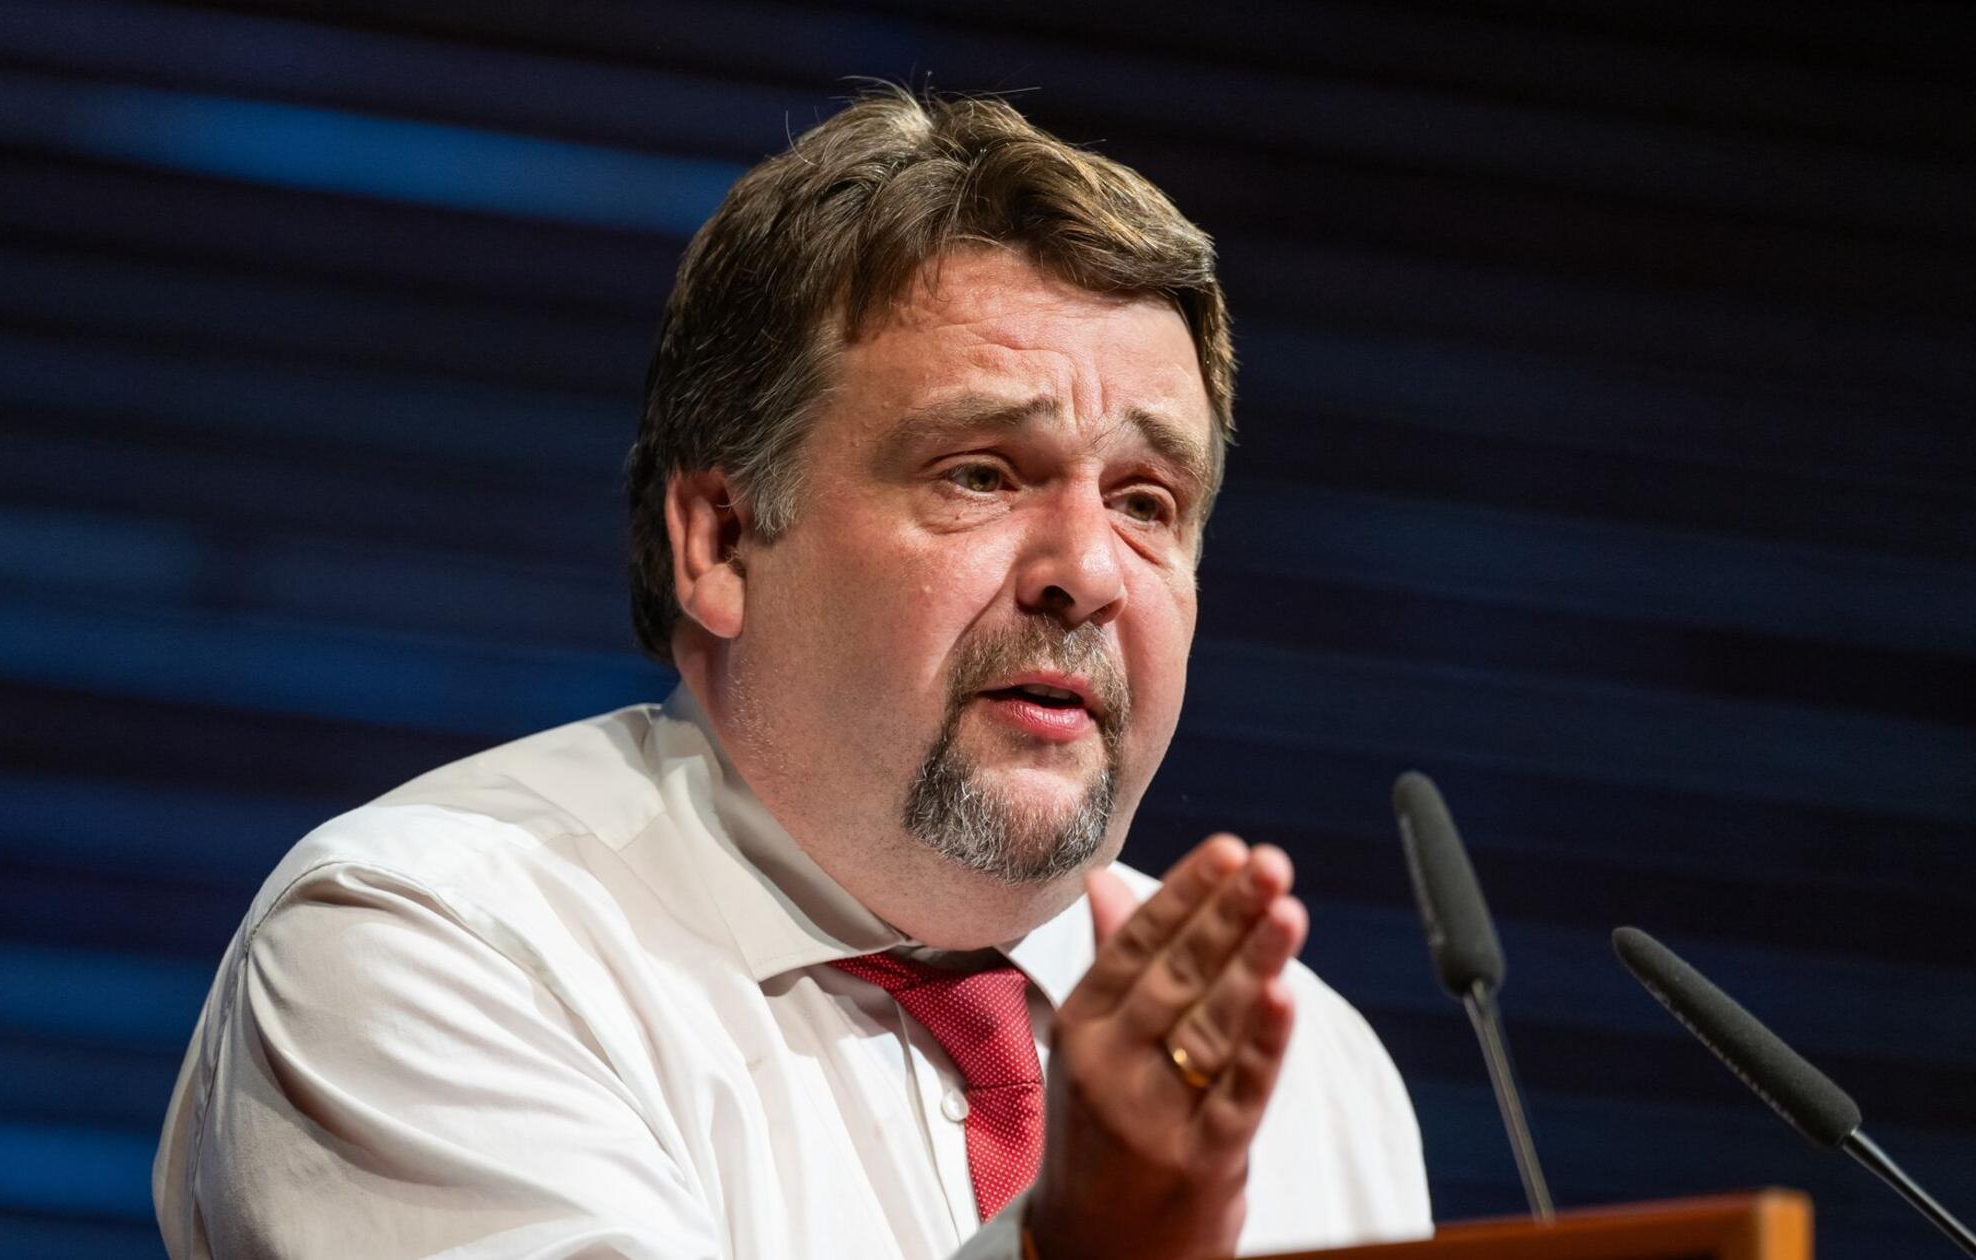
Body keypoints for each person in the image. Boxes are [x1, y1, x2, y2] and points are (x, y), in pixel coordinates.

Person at [153, 87, 1430, 1260]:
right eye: (981, 473)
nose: (1088, 570)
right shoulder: (430, 945)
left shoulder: (1307, 1072)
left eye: (1147, 501)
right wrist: (1079, 1242)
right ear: (721, 541)